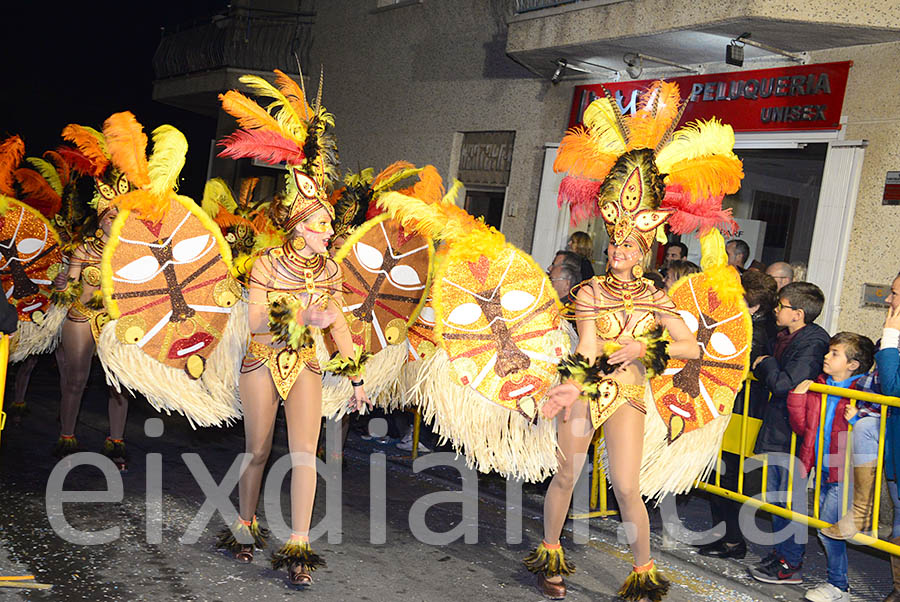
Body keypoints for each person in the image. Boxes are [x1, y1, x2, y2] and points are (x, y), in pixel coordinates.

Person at [526, 80, 747, 601]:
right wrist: (570, 386)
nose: (619, 251)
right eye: (615, 243)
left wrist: (644, 350)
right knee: (566, 476)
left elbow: (694, 347)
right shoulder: (590, 292)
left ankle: (643, 572)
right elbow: (584, 347)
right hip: (589, 391)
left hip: (629, 394)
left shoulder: (657, 294)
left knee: (627, 487)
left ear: (645, 248)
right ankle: (550, 554)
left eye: (629, 245)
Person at [215, 69, 371, 588]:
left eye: (329, 223)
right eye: (322, 224)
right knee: (258, 451)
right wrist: (302, 317)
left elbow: (340, 324)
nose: (330, 231)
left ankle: (299, 547)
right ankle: (244, 523)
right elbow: (258, 324)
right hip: (261, 361)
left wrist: (355, 377)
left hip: (303, 363)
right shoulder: (264, 265)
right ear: (299, 226)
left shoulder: (328, 270)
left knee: (306, 453)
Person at [749, 281, 830, 585]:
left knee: (790, 500)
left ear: (797, 313)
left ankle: (790, 562)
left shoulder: (812, 342)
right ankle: (781, 552)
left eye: (781, 306)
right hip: (779, 428)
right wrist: (767, 366)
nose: (776, 310)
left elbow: (784, 384)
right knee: (775, 498)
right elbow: (766, 372)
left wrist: (767, 364)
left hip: (794, 433)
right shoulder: (785, 336)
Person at [787, 332, 875, 602]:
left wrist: (856, 419)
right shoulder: (819, 385)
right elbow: (803, 428)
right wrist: (797, 399)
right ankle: (837, 584)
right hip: (823, 468)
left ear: (853, 364)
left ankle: (838, 586)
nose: (826, 356)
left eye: (835, 353)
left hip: (844, 471)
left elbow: (873, 428)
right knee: (826, 527)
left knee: (829, 530)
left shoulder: (863, 391)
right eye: (829, 351)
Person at [698, 270, 778, 560]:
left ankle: (732, 541)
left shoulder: (755, 330)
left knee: (726, 479)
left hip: (741, 414)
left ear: (753, 305)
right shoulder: (749, 324)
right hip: (733, 410)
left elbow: (734, 365)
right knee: (721, 479)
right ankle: (726, 537)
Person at [869, 273, 900, 602]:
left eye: (894, 294)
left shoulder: (893, 336)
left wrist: (890, 338)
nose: (889, 300)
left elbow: (894, 388)